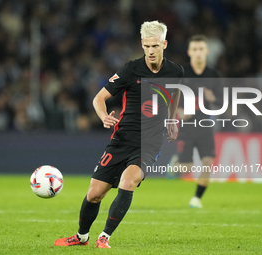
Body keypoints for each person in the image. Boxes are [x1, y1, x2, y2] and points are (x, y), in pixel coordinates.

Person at [54, 20, 184, 249]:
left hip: (149, 143)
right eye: (146, 46)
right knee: (94, 194)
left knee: (128, 180)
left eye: (155, 46)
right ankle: (81, 237)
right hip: (122, 139)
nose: (150, 51)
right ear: (141, 45)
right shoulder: (130, 70)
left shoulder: (176, 72)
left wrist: (172, 120)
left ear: (164, 44)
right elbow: (98, 99)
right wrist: (103, 116)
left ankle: (104, 237)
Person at [170, 35, 222, 208]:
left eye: (201, 49)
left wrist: (212, 97)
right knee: (187, 168)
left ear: (206, 51)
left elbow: (222, 103)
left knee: (208, 162)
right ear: (189, 52)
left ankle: (197, 198)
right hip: (185, 126)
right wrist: (178, 110)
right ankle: (177, 163)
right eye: (195, 49)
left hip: (205, 125)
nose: (198, 53)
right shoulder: (181, 73)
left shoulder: (213, 75)